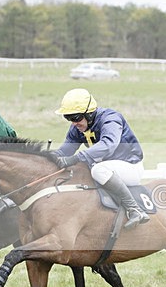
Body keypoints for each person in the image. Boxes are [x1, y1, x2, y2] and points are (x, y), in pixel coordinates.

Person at [53, 88, 149, 228]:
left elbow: (108, 144)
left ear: (89, 114)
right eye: (68, 118)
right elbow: (65, 151)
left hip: (130, 167)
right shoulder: (77, 128)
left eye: (76, 118)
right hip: (109, 169)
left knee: (97, 170)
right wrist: (45, 158)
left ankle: (135, 209)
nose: (73, 123)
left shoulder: (111, 119)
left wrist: (77, 157)